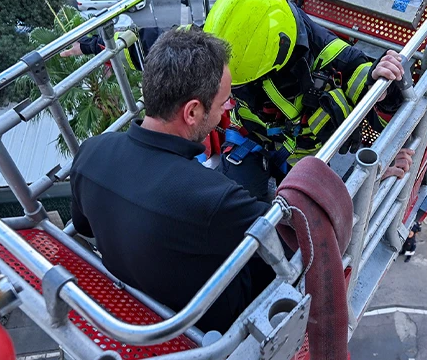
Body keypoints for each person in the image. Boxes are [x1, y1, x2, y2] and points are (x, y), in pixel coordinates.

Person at [68, 28, 275, 333]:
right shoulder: (217, 199)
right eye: (223, 104)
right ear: (192, 111)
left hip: (137, 304)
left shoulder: (90, 153)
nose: (227, 110)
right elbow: (289, 244)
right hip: (212, 329)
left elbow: (84, 227)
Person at [204, 0, 407, 201]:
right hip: (249, 139)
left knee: (298, 219)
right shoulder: (241, 47)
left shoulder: (334, 58)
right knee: (234, 204)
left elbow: (390, 116)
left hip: (304, 159)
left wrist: (385, 87)